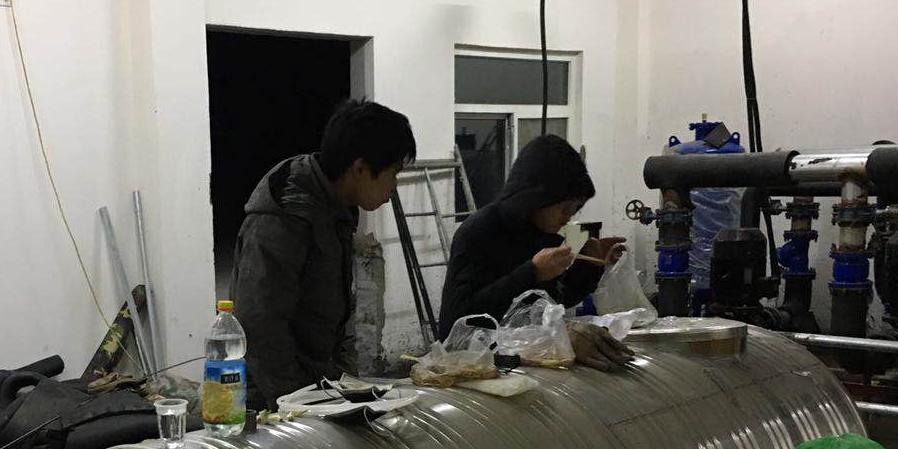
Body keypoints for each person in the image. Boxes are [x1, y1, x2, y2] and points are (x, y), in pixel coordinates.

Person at [231, 100, 417, 409]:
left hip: (314, 384)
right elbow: (259, 326)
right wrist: (301, 406)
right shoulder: (285, 218)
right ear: (360, 168)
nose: (394, 187)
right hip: (270, 398)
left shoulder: (333, 210)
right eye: (393, 174)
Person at [438, 133, 634, 371]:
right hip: (476, 364)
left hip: (528, 359)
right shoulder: (479, 230)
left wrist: (591, 265)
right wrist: (532, 272)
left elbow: (557, 300)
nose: (568, 217)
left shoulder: (544, 234)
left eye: (575, 209)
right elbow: (458, 322)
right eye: (565, 208)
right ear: (536, 198)